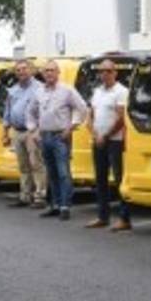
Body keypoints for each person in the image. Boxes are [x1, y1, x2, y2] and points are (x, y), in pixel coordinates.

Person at [27, 60, 88, 221]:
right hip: (44, 136)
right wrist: (33, 130)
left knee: (63, 173)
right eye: (46, 71)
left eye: (52, 70)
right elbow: (30, 112)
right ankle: (54, 205)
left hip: (61, 136)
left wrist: (71, 126)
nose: (49, 73)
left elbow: (82, 108)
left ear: (58, 72)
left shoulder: (67, 90)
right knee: (51, 173)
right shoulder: (39, 92)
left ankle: (65, 206)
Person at [85, 59, 132, 231]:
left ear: (115, 73)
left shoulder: (121, 92)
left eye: (108, 71)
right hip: (99, 140)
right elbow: (90, 114)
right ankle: (102, 216)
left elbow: (121, 119)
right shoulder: (97, 92)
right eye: (102, 71)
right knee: (100, 179)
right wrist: (95, 133)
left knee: (120, 179)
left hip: (115, 141)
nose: (105, 74)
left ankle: (124, 218)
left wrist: (106, 135)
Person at [3, 60, 47, 209]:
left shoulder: (40, 88)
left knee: (36, 164)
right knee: (23, 166)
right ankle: (25, 196)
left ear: (31, 70)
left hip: (32, 131)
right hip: (17, 131)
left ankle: (40, 196)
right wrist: (5, 132)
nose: (21, 72)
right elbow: (7, 111)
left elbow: (43, 110)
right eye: (18, 70)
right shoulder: (13, 90)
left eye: (24, 69)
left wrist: (39, 131)